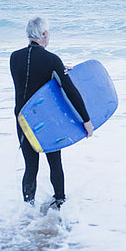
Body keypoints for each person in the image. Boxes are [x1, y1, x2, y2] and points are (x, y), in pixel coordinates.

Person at [10, 16, 94, 210]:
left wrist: (57, 68)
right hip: (46, 123)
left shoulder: (14, 57)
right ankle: (60, 203)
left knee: (31, 166)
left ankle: (27, 211)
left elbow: (29, 75)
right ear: (45, 34)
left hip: (23, 121)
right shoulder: (51, 60)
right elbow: (71, 91)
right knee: (55, 162)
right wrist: (86, 120)